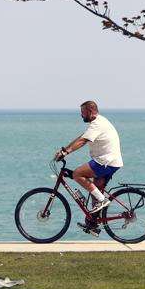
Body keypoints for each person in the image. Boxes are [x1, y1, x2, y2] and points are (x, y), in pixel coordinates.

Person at [54, 100, 123, 236]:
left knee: (78, 174)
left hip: (106, 161)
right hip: (109, 161)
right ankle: (93, 225)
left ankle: (103, 200)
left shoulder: (97, 124)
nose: (81, 116)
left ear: (91, 112)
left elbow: (83, 141)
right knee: (94, 192)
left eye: (83, 113)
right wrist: (65, 149)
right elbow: (81, 137)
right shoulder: (97, 123)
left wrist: (66, 153)